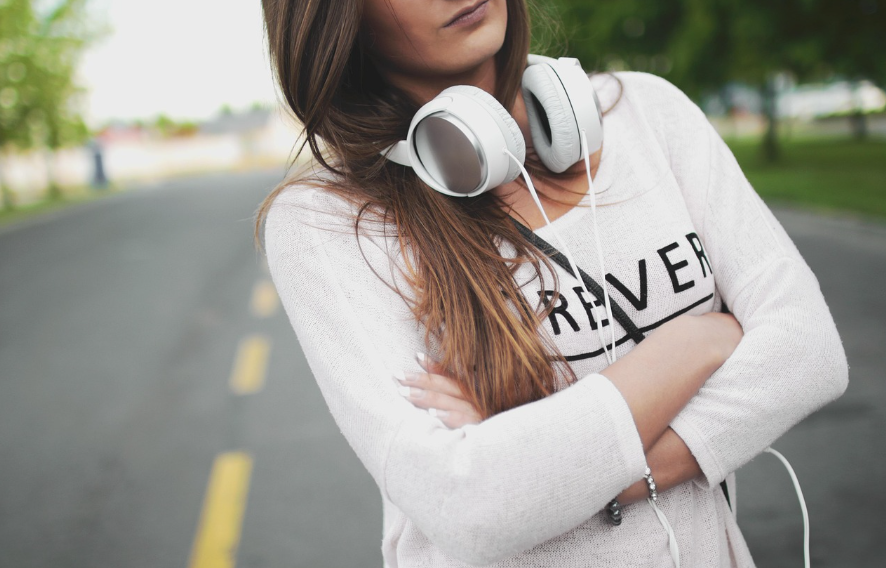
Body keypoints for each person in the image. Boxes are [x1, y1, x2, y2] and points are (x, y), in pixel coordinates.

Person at [256, 0, 849, 566]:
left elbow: (809, 352)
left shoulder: (647, 113)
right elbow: (471, 505)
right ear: (340, 19)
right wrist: (698, 343)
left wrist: (571, 471)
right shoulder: (326, 221)